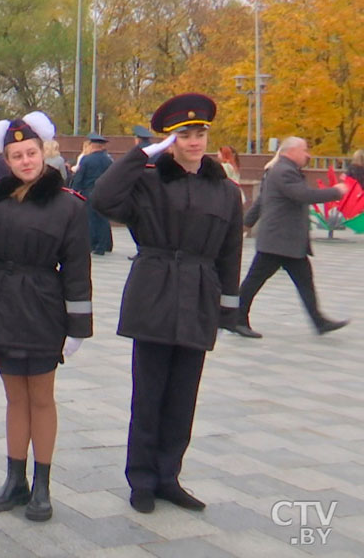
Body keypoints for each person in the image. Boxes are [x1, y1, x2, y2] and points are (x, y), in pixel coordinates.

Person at [89, 93, 243, 514]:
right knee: (150, 391)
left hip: (198, 293)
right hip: (154, 289)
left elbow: (230, 251)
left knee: (183, 395)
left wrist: (229, 308)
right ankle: (140, 478)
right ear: (170, 141)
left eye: (200, 134)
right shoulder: (149, 180)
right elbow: (102, 199)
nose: (195, 142)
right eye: (185, 135)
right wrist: (141, 156)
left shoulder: (225, 191)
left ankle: (168, 476)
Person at [0, 113, 91, 523]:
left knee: (41, 397)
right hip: (2, 302)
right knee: (13, 397)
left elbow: (77, 269)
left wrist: (78, 328)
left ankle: (42, 485)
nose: (25, 161)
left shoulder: (68, 205)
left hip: (43, 306)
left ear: (44, 153)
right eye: (16, 155)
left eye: (31, 153)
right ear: (4, 159)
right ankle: (14, 479)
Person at [228, 137, 350, 339]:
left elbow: (261, 200)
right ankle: (237, 319)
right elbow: (303, 195)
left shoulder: (280, 170)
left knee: (304, 281)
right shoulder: (284, 171)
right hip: (278, 241)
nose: (308, 155)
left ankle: (319, 321)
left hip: (285, 241)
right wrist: (336, 191)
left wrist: (246, 223)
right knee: (254, 281)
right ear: (291, 151)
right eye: (305, 150)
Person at [69, 133, 113, 255]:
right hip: (104, 192)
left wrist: (74, 190)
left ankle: (92, 244)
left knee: (91, 219)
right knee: (103, 219)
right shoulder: (108, 160)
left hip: (89, 191)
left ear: (93, 145)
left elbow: (79, 177)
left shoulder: (86, 159)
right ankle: (102, 246)